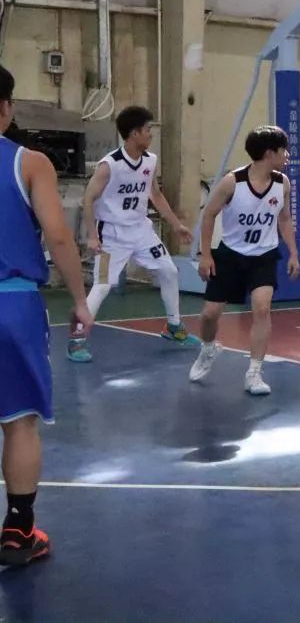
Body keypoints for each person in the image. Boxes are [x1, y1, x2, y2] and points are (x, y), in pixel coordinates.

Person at [0, 64, 93, 565]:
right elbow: (58, 236)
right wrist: (79, 298)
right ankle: (18, 531)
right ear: (6, 107)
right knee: (19, 423)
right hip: (12, 304)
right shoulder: (29, 162)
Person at [76, 105, 197, 362]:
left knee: (169, 271)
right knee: (102, 285)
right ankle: (77, 339)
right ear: (133, 134)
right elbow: (87, 199)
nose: (151, 133)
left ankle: (174, 327)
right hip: (111, 235)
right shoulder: (109, 165)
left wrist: (176, 224)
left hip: (141, 231)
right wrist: (92, 236)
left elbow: (155, 194)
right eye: (147, 129)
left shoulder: (150, 161)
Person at [189, 126, 300, 396]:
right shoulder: (232, 182)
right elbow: (209, 214)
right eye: (283, 150)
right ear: (269, 153)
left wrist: (293, 253)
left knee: (262, 308)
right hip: (231, 255)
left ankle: (254, 373)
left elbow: (284, 218)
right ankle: (208, 348)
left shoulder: (282, 183)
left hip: (264, 256)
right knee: (210, 314)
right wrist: (206, 255)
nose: (287, 155)